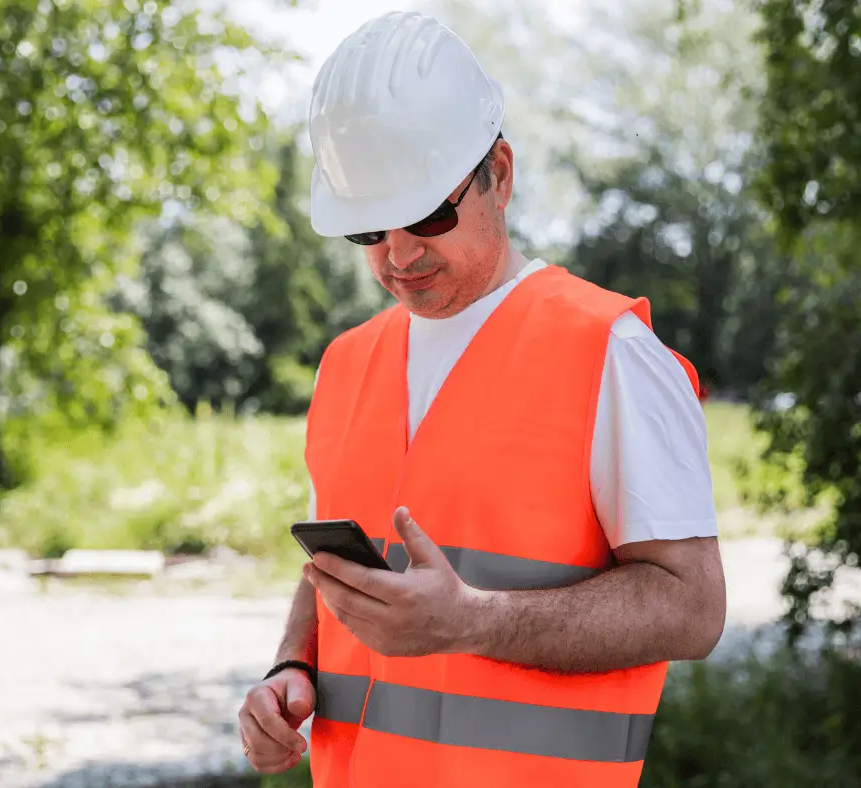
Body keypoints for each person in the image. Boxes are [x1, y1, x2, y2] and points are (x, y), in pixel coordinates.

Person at [237, 10, 726, 788]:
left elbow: (693, 608)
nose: (398, 255)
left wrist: (472, 621)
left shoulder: (611, 351)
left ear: (499, 172)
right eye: (367, 230)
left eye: (428, 213)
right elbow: (336, 568)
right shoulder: (347, 364)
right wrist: (290, 667)